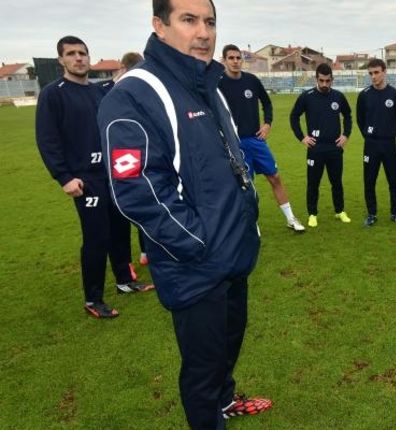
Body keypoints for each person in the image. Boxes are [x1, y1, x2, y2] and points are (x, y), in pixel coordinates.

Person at [97, 0, 271, 427]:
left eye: (209, 21)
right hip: (196, 265)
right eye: (189, 20)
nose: (203, 32)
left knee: (228, 348)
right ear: (159, 25)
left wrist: (245, 219)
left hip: (234, 253)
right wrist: (200, 243)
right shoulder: (135, 93)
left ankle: (226, 400)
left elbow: (230, 161)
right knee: (202, 370)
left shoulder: (208, 85)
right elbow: (138, 191)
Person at [36, 36, 153, 320]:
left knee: (120, 231)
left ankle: (125, 280)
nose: (78, 58)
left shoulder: (100, 91)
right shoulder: (54, 94)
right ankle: (93, 298)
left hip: (112, 175)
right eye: (71, 54)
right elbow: (47, 139)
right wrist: (64, 177)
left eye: (83, 53)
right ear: (61, 60)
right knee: (96, 238)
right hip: (85, 179)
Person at [220, 44, 305, 232]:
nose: (235, 61)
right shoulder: (219, 84)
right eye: (231, 58)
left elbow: (267, 103)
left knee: (275, 177)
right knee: (246, 186)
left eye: (238, 58)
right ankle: (251, 224)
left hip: (256, 141)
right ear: (224, 60)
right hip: (236, 144)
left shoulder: (251, 80)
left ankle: (291, 218)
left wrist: (267, 123)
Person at [102, 51, 152, 269]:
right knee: (130, 207)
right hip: (126, 155)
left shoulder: (135, 89)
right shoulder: (112, 90)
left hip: (128, 154)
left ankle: (141, 254)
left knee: (140, 206)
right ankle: (128, 262)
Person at [290, 63, 352, 227]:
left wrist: (345, 134)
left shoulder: (338, 96)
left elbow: (348, 115)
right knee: (313, 183)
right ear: (316, 79)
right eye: (321, 81)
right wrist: (302, 137)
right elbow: (294, 117)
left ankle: (340, 211)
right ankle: (312, 214)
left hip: (335, 148)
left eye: (328, 81)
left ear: (332, 79)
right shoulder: (307, 96)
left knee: (336, 182)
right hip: (315, 149)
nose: (325, 84)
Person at [356, 58, 396, 226]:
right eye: (370, 73)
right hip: (371, 145)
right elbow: (360, 120)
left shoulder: (395, 95)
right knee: (369, 180)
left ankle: (395, 213)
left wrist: (388, 133)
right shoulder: (364, 95)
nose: (373, 76)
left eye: (376, 72)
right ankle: (372, 214)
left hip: (389, 144)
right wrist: (369, 135)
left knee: (394, 180)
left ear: (384, 72)